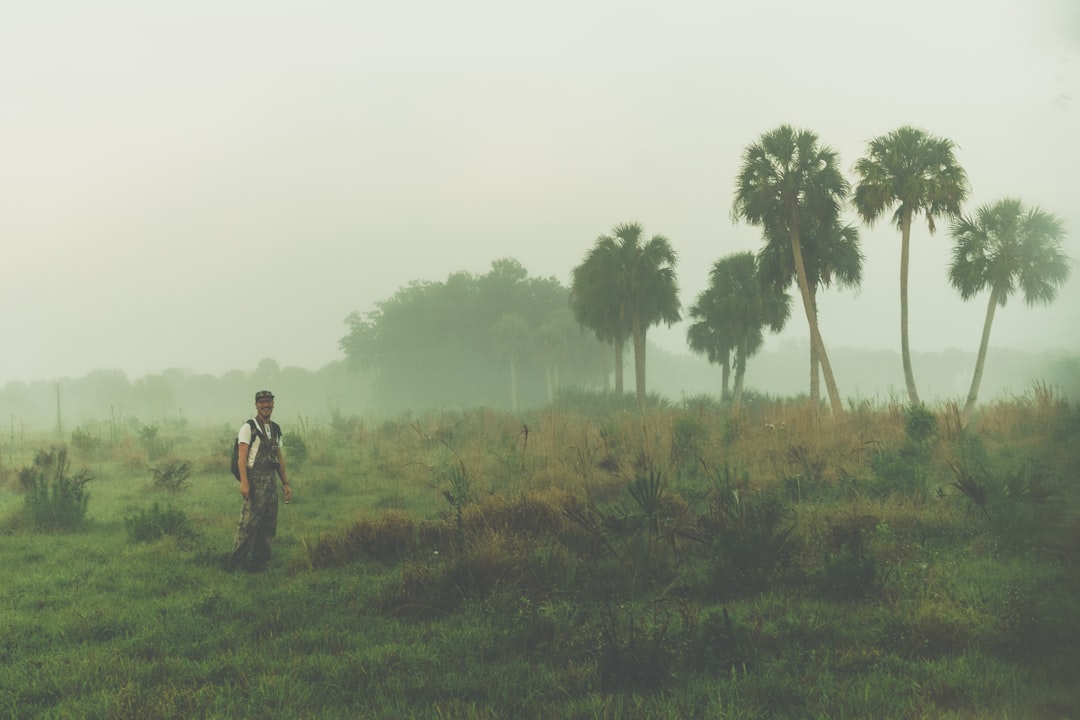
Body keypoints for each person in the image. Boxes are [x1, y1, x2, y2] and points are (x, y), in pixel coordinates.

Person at [228, 390, 292, 571]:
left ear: (273, 404)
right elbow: (242, 458)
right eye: (262, 402)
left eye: (269, 402)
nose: (266, 406)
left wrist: (285, 483)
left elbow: (279, 459)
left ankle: (260, 564)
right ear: (256, 405)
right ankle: (235, 565)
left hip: (271, 481)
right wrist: (244, 482)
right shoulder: (249, 427)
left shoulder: (276, 429)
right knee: (248, 525)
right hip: (254, 481)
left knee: (269, 525)